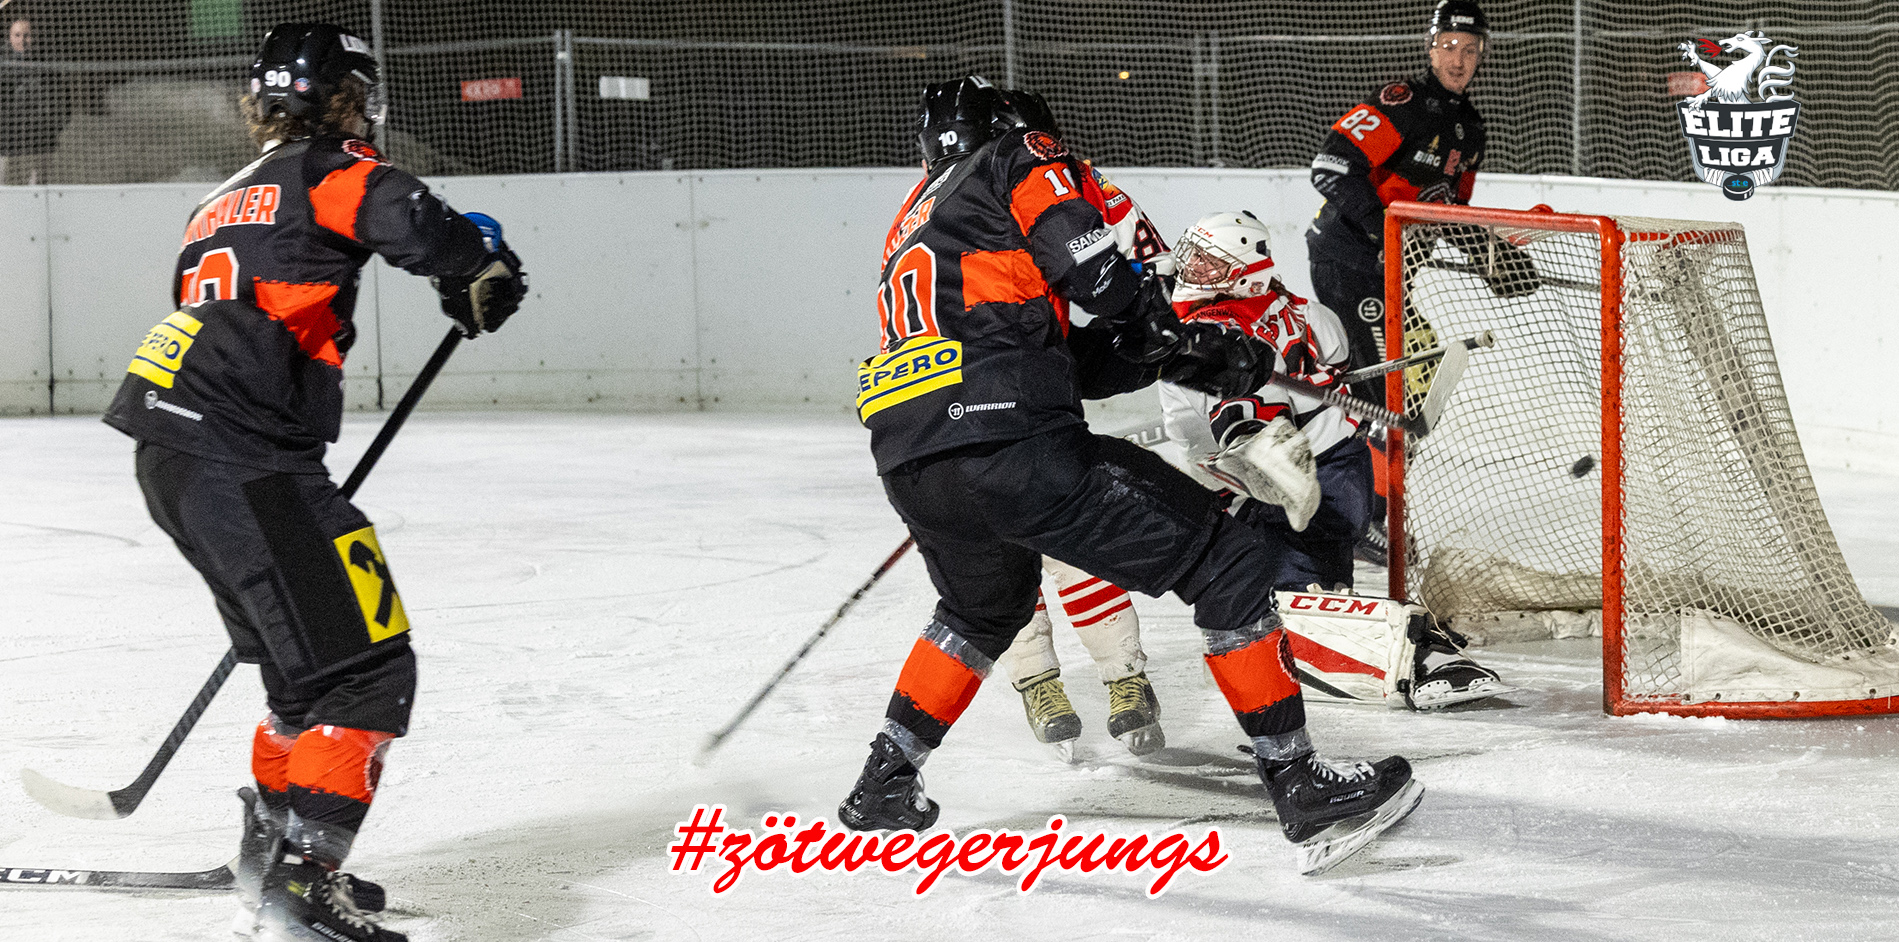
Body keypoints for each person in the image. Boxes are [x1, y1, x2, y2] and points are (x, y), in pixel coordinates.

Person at [841, 76, 1421, 873]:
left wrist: (1181, 355)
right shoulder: (1015, 156)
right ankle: (1299, 786)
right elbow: (1098, 277)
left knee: (981, 611)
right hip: (1012, 443)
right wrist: (1175, 333)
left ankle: (883, 784)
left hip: (911, 460)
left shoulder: (917, 219)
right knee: (1229, 561)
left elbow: (1075, 358)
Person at [100, 23, 526, 942]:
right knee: (367, 673)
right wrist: (477, 261)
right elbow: (405, 214)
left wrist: (460, 266)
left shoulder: (219, 200)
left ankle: (272, 860)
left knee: (303, 679)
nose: (363, 113)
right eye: (355, 95)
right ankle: (303, 886)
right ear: (338, 96)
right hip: (246, 459)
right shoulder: (328, 168)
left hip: (173, 452)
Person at [1158, 210, 1511, 710]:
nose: (1193, 269)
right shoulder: (1306, 312)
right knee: (1315, 591)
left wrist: (1258, 450)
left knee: (1284, 610)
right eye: (1193, 256)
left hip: (1297, 483)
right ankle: (1408, 646)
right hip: (1339, 468)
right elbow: (1331, 364)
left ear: (1244, 273)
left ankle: (1421, 659)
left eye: (1209, 262)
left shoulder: (1218, 335)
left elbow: (1248, 414)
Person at [990, 89, 1167, 760]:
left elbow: (1151, 270)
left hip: (1037, 394)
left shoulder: (1082, 188)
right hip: (975, 401)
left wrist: (1123, 342)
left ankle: (1124, 678)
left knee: (1072, 539)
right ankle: (1039, 682)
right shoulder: (959, 205)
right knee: (1006, 554)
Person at [1305, 0, 1490, 402]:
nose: (1458, 60)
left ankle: (1368, 438)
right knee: (1385, 392)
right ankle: (1368, 441)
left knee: (1420, 372)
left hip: (1390, 271)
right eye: (1448, 45)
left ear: (1482, 54)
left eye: (1469, 49)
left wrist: (1491, 255)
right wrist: (1386, 231)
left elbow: (1448, 212)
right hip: (1348, 259)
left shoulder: (1472, 129)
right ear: (1430, 47)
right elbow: (1330, 168)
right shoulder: (1404, 103)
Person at [0, 16, 64, 185]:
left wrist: (55, 127)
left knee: (38, 187)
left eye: (27, 35)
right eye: (17, 35)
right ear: (9, 37)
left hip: (40, 137)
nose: (22, 40)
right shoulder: (3, 64)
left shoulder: (47, 64)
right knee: (6, 185)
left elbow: (60, 99)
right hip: (7, 139)